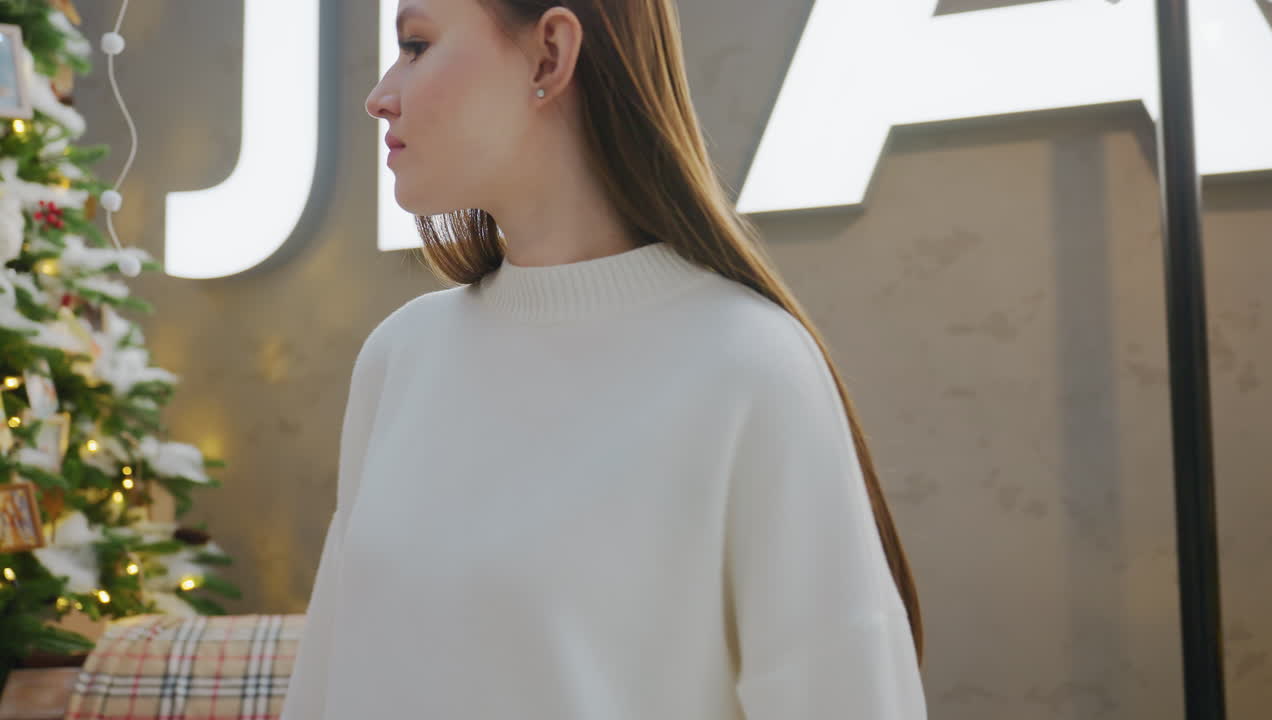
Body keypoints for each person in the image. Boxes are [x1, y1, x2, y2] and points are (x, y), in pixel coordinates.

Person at [279, 0, 928, 717]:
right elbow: (331, 683)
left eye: (416, 44)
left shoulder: (748, 367)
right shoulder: (400, 357)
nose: (379, 97)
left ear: (551, 53)